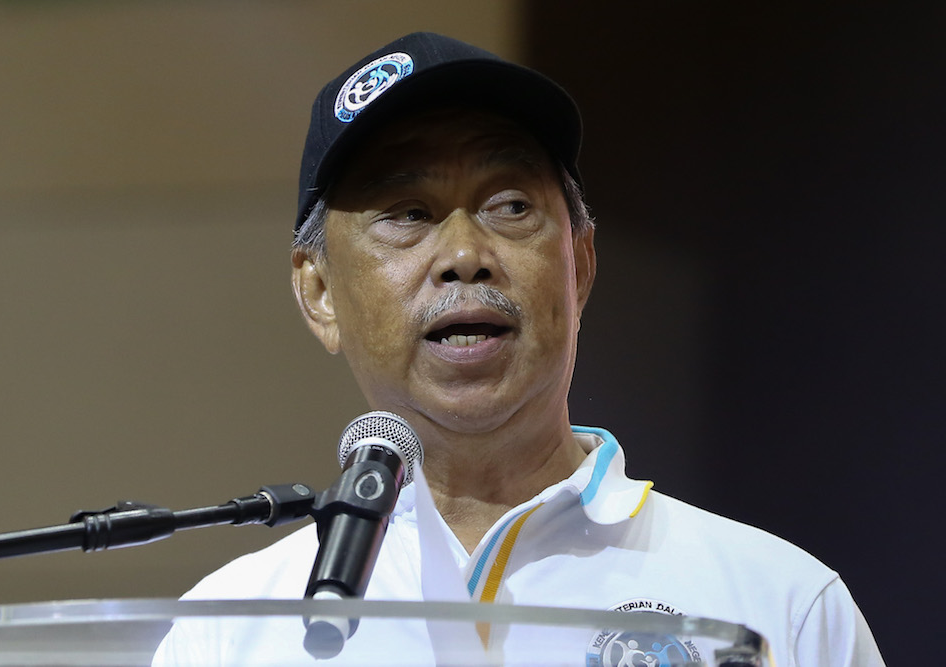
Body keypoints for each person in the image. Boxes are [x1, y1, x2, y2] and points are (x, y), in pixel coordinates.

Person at [153, 32, 884, 666]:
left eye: (510, 206)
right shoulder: (231, 631)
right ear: (319, 292)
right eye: (408, 213)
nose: (464, 255)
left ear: (580, 266)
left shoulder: (779, 604)